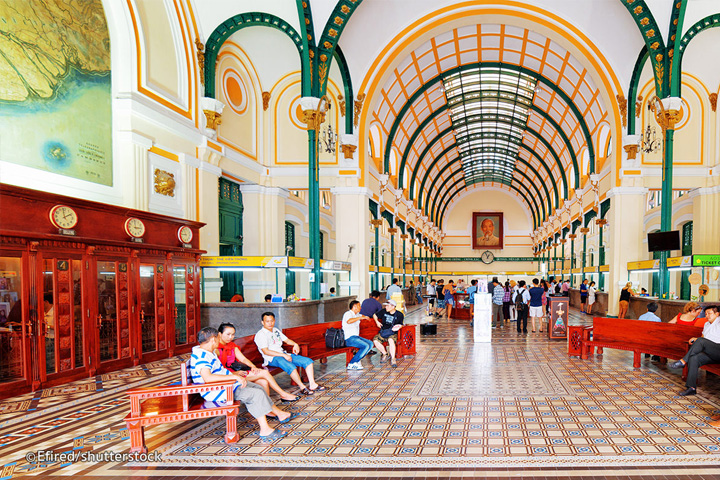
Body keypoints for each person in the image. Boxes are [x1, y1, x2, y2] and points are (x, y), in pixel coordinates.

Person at [191, 326, 296, 442]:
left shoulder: (207, 352)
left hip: (227, 384)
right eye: (217, 338)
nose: (218, 341)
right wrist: (234, 376)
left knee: (258, 388)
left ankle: (278, 413)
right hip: (218, 390)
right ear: (212, 340)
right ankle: (265, 430)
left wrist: (234, 377)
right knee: (255, 394)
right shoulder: (202, 356)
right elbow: (208, 378)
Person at [216, 323, 300, 403]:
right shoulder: (216, 348)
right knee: (264, 372)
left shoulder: (231, 345)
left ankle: (267, 408)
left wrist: (253, 367)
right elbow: (217, 370)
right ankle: (283, 394)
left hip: (237, 372)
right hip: (227, 376)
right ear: (219, 334)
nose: (230, 337)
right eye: (228, 334)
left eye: (233, 334)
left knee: (263, 382)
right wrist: (234, 373)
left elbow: (244, 359)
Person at [254, 312, 327, 396]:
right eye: (267, 321)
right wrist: (283, 355)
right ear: (262, 322)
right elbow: (266, 351)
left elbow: (287, 340)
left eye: (272, 321)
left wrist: (295, 344)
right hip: (272, 358)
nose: (270, 323)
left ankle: (312, 384)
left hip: (283, 354)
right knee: (291, 367)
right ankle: (302, 387)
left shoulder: (275, 330)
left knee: (308, 361)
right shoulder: (261, 335)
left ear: (274, 321)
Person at [668, 305, 720, 396]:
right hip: (709, 352)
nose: (707, 316)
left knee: (700, 341)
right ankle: (691, 388)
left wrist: (699, 340)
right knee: (694, 358)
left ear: (717, 314)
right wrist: (696, 339)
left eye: (710, 313)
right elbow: (703, 338)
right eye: (706, 313)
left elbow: (703, 341)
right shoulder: (707, 324)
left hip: (718, 350)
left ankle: (682, 361)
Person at [342, 300, 373, 370]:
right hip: (349, 338)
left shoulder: (356, 314)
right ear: (354, 307)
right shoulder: (348, 314)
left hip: (356, 337)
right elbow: (349, 321)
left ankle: (357, 360)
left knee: (370, 344)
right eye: (359, 306)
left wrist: (365, 317)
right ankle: (352, 363)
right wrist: (360, 318)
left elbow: (362, 315)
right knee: (365, 346)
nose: (360, 308)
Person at [373, 299, 404, 368]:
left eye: (387, 306)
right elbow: (375, 315)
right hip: (384, 332)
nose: (386, 307)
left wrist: (398, 327)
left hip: (392, 333)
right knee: (375, 340)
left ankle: (393, 359)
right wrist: (377, 322)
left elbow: (401, 324)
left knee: (391, 340)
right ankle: (385, 353)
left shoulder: (399, 315)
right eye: (386, 306)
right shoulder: (383, 311)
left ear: (393, 306)